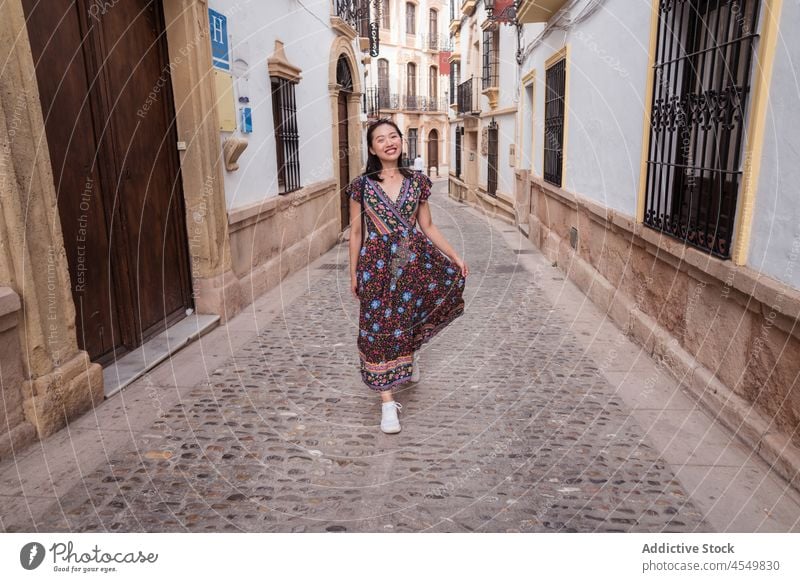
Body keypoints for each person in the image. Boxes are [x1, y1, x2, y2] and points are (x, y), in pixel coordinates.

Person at [346, 119, 469, 434]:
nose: (389, 142)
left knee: (405, 322)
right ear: (372, 148)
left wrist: (454, 256)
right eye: (380, 139)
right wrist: (353, 272)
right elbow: (357, 232)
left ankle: (409, 357)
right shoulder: (361, 186)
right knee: (375, 330)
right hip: (375, 266)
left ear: (401, 141)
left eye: (393, 136)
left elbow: (427, 226)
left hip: (411, 263)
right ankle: (387, 403)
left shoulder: (417, 182)